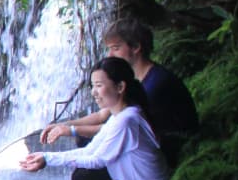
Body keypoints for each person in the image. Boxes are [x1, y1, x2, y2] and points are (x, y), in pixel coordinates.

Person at [20, 56, 169, 180]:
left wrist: (48, 159)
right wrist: (45, 156)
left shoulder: (127, 120)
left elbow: (97, 160)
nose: (94, 93)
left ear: (120, 87)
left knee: (85, 176)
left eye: (99, 85)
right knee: (85, 172)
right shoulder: (121, 116)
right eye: (92, 86)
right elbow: (90, 149)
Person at [42, 17, 200, 168]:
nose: (110, 55)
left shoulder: (156, 83)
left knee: (87, 154)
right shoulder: (132, 79)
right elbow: (103, 115)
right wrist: (63, 125)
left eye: (116, 48)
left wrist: (71, 130)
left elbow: (122, 127)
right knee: (85, 141)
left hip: (173, 145)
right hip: (146, 140)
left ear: (136, 47)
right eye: (109, 49)